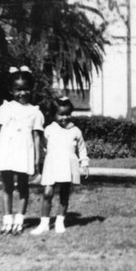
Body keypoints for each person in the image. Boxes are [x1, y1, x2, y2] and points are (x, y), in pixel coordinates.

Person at [0, 66, 44, 235]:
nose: (22, 93)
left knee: (23, 186)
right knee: (6, 185)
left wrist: (36, 159)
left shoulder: (35, 112)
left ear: (31, 89)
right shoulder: (5, 108)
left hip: (24, 152)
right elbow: (1, 133)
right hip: (6, 149)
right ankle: (7, 220)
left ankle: (19, 221)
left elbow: (36, 137)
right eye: (18, 89)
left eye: (26, 89)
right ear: (11, 90)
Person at [31, 97, 89, 235]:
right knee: (47, 193)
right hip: (52, 165)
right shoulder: (49, 129)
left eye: (68, 114)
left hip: (68, 165)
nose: (65, 117)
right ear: (53, 115)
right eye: (61, 114)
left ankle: (59, 222)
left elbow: (82, 149)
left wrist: (85, 163)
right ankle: (44, 223)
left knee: (64, 194)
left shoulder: (75, 131)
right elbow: (43, 146)